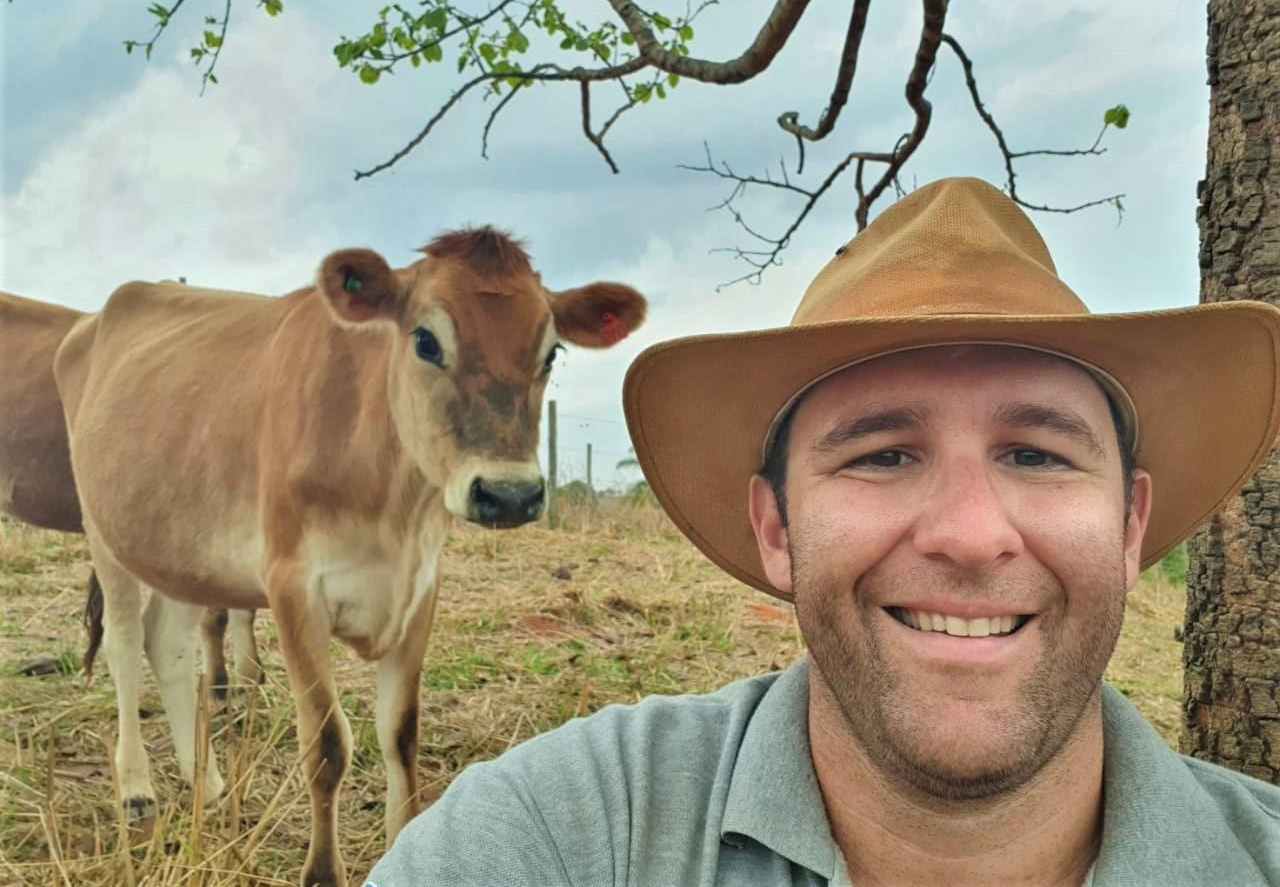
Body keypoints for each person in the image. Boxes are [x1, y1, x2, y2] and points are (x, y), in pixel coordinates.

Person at [366, 178, 1280, 886]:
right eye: (882, 455)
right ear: (776, 527)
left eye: (1038, 455)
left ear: (1129, 524)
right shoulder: (573, 831)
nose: (969, 535)